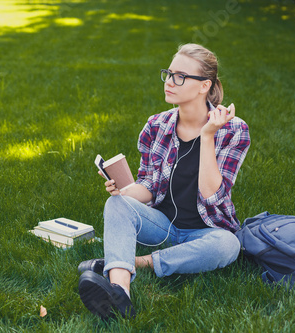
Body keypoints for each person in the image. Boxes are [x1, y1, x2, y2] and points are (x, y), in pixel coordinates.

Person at [77, 43, 251, 320]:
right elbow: (148, 186)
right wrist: (122, 190)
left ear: (204, 85)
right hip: (163, 226)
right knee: (116, 203)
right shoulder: (156, 126)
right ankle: (119, 293)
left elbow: (212, 195)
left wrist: (207, 136)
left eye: (180, 76)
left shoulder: (233, 130)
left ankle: (137, 263)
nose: (169, 82)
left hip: (206, 231)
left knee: (228, 245)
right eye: (168, 74)